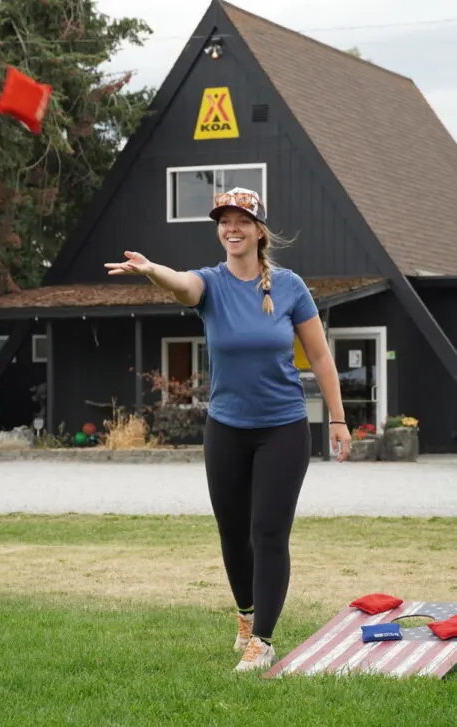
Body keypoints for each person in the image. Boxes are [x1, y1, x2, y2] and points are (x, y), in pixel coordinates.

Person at [104, 187, 352, 672]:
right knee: (233, 532)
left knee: (268, 532)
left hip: (283, 426)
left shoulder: (290, 287)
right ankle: (245, 615)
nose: (231, 228)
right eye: (224, 221)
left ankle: (264, 639)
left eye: (242, 220)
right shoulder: (210, 283)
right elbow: (181, 286)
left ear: (260, 229)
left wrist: (339, 418)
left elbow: (320, 356)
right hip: (226, 428)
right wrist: (153, 269)